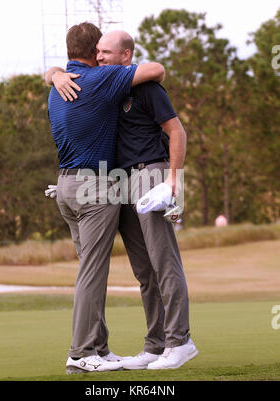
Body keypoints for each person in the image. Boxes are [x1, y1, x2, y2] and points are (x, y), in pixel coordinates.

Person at [48, 30, 198, 371]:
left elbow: (176, 130)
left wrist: (174, 182)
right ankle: (155, 343)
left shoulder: (141, 86)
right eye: (97, 52)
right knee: (144, 268)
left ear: (125, 56)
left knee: (164, 260)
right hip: (120, 181)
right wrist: (55, 74)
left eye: (106, 52)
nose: (100, 58)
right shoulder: (107, 87)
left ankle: (179, 341)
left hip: (152, 176)